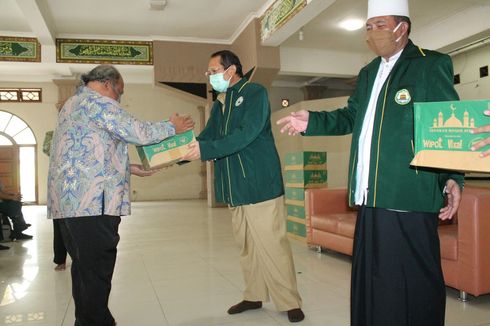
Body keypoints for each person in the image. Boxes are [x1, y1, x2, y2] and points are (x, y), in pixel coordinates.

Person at [277, 1, 464, 325]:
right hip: (369, 194)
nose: (372, 33)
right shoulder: (367, 74)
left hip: (410, 193)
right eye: (369, 26)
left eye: (380, 24)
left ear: (401, 28)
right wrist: (311, 121)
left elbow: (445, 124)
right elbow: (350, 117)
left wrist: (452, 177)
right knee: (376, 279)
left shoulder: (430, 65)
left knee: (417, 280)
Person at [47, 64, 194, 326]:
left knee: (84, 270)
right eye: (120, 92)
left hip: (70, 204)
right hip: (93, 204)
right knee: (97, 272)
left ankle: (94, 319)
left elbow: (90, 150)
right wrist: (172, 126)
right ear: (107, 84)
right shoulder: (99, 102)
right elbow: (136, 131)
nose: (119, 98)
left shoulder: (72, 104)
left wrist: (127, 167)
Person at [183, 50, 304, 323]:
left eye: (213, 70)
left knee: (273, 245)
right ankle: (254, 294)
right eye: (209, 72)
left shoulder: (254, 93)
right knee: (247, 246)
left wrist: (203, 149)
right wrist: (179, 153)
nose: (210, 76)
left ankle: (290, 301)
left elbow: (245, 135)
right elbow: (208, 137)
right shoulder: (220, 104)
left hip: (259, 184)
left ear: (231, 70)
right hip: (235, 188)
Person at [43, 130, 68, 271]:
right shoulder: (52, 134)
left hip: (81, 188)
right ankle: (60, 259)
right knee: (60, 225)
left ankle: (80, 258)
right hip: (59, 184)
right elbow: (47, 150)